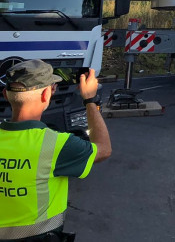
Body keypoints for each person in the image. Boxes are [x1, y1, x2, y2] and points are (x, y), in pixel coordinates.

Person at [1, 60, 112, 240]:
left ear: (6, 94)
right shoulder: (58, 145)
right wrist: (90, 100)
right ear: (47, 94)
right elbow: (104, 149)